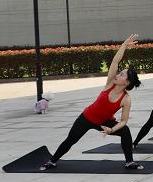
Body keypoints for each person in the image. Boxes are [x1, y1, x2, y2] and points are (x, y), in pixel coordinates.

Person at [41, 34, 143, 170]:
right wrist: (124, 45)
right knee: (71, 140)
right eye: (119, 73)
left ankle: (129, 162)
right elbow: (114, 62)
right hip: (87, 117)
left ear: (127, 82)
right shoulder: (110, 83)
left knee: (125, 131)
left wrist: (111, 129)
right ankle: (52, 161)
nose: (118, 74)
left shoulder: (126, 99)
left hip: (104, 122)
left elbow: (124, 121)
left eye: (122, 74)